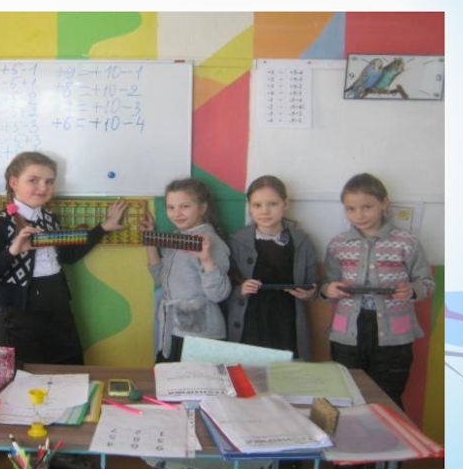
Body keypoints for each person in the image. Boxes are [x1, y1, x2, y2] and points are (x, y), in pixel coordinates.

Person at [0, 151, 127, 368]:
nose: (43, 187)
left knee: (70, 368)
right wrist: (14, 249)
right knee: (28, 374)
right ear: (13, 182)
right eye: (33, 180)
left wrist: (103, 228)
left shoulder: (50, 219)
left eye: (49, 181)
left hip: (58, 305)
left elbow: (68, 256)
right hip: (21, 312)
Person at [321, 173, 435, 410]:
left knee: (388, 397)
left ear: (384, 203)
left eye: (367, 207)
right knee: (348, 395)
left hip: (393, 336)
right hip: (348, 334)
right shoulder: (338, 244)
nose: (359, 215)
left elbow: (427, 282)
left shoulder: (406, 242)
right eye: (351, 209)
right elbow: (327, 284)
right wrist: (329, 290)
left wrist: (412, 290)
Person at [225, 175, 319, 360]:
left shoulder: (302, 241)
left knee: (285, 372)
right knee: (250, 371)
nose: (265, 211)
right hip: (250, 319)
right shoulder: (236, 241)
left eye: (272, 204)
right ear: (249, 207)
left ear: (286, 204)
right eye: (257, 205)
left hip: (287, 320)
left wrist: (309, 293)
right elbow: (224, 286)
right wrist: (240, 290)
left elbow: (314, 284)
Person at [140, 178, 231, 363]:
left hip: (200, 335)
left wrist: (206, 259)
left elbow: (218, 294)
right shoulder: (177, 238)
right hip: (172, 329)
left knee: (194, 380)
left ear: (202, 208)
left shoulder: (212, 243)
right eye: (171, 207)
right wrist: (150, 240)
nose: (177, 213)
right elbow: (159, 279)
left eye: (185, 206)